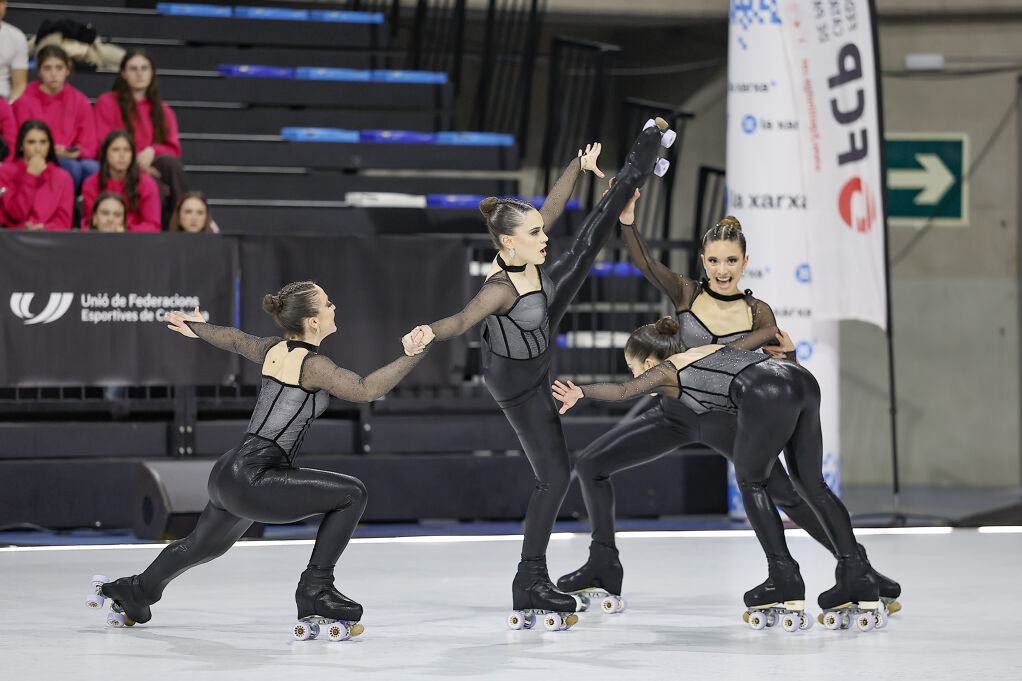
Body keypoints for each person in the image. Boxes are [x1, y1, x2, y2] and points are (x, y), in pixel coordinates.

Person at [556, 208, 902, 613]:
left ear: (745, 263)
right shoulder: (687, 293)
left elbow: (774, 371)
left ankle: (857, 566)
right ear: (703, 261)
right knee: (593, 463)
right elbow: (645, 262)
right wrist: (630, 219)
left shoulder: (760, 313)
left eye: (732, 261)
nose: (723, 270)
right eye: (715, 261)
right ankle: (603, 564)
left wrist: (788, 354)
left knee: (787, 493)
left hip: (728, 421)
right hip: (675, 414)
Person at [408, 122, 672, 627]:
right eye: (534, 234)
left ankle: (644, 146)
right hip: (517, 384)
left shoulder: (531, 253)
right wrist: (427, 332)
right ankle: (529, 579)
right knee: (553, 475)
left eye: (541, 230)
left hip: (544, 322)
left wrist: (580, 166)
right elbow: (462, 320)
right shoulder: (499, 288)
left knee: (592, 237)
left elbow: (550, 206)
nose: (543, 235)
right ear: (508, 244)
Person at [97, 282, 433, 639]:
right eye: (327, 304)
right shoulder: (314, 365)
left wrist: (198, 328)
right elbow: (366, 389)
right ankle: (316, 588)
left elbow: (235, 339)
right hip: (256, 477)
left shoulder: (273, 349)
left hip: (230, 472)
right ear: (313, 322)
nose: (334, 307)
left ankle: (135, 590)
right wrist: (414, 355)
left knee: (203, 545)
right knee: (353, 493)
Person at [551, 327, 892, 629]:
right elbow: (763, 334)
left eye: (635, 366)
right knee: (810, 484)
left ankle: (789, 575)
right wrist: (785, 350)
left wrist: (582, 391)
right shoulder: (703, 348)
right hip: (796, 378)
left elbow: (625, 390)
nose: (635, 373)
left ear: (652, 361)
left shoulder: (667, 370)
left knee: (759, 484)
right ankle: (856, 573)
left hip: (752, 400)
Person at [93, 50, 187, 228]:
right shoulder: (107, 102)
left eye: (144, 68)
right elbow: (103, 144)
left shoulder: (163, 110)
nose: (139, 73)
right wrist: (137, 165)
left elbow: (174, 150)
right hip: (119, 165)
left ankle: (187, 222)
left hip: (154, 164)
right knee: (154, 187)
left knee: (172, 164)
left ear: (152, 73)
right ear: (123, 73)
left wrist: (153, 150)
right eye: (133, 69)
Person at [12, 45, 98, 190]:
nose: (54, 74)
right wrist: (48, 150)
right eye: (47, 68)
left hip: (68, 155)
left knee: (93, 168)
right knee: (72, 168)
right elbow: (19, 140)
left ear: (67, 70)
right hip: (35, 156)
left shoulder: (80, 100)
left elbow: (89, 146)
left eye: (59, 68)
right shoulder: (24, 99)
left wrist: (69, 153)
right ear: (39, 71)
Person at [81, 130, 160, 232]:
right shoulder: (90, 183)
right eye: (116, 150)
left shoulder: (147, 183)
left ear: (133, 155)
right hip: (99, 238)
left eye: (127, 150)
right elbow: (91, 221)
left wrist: (126, 231)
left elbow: (153, 226)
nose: (122, 155)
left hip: (136, 240)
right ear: (105, 153)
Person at [0, 119, 73, 230]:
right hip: (12, 239)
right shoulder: (5, 172)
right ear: (21, 145)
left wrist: (44, 228)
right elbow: (16, 214)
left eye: (43, 142)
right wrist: (31, 176)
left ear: (50, 146)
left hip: (51, 239)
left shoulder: (63, 177)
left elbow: (64, 222)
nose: (38, 148)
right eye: (31, 142)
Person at [0, 1, 27, 102]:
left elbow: (20, 84)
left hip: (4, 100)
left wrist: (7, 106)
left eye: (1, 2)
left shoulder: (17, 37)